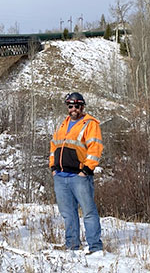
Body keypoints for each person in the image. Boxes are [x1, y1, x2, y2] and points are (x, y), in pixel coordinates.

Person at [49, 92, 103, 254]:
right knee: (68, 213)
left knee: (88, 212)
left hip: (79, 176)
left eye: (76, 106)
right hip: (61, 176)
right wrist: (53, 168)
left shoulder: (90, 124)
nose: (73, 109)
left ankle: (95, 246)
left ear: (82, 107)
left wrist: (86, 169)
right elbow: (54, 146)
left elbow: (95, 148)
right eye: (70, 106)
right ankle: (72, 244)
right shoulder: (63, 124)